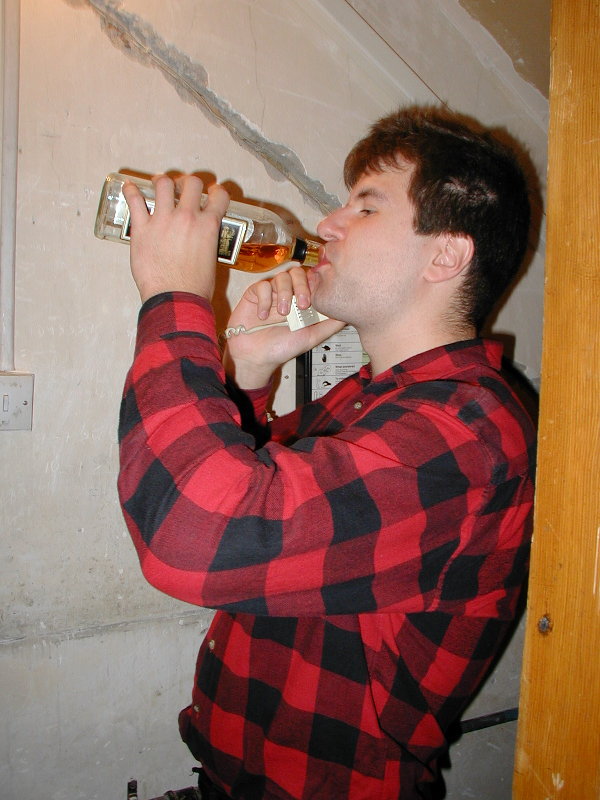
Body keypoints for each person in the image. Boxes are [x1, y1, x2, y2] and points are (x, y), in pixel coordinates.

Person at [118, 106, 536, 800]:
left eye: (365, 208)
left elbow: (191, 535)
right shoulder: (375, 399)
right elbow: (252, 481)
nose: (329, 224)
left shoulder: (466, 431)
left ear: (446, 256)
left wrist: (174, 298)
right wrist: (250, 370)